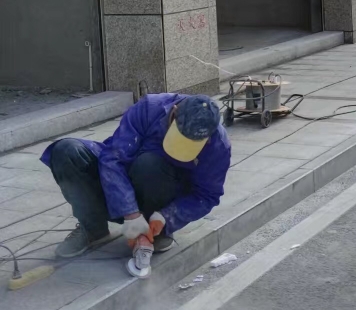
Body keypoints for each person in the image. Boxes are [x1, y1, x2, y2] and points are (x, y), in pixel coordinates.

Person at [42, 93, 230, 278]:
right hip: (121, 183)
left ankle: (152, 232)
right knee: (67, 151)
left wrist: (166, 217)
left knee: (150, 164)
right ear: (174, 112)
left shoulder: (218, 144)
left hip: (161, 191)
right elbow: (113, 158)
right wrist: (130, 212)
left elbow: (206, 195)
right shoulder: (149, 108)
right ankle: (93, 229)